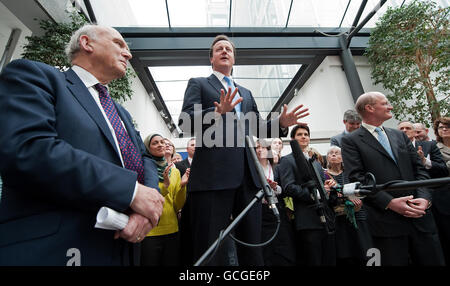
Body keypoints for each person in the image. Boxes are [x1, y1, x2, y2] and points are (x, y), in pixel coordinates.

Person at [0, 25, 165, 265]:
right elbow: (29, 149)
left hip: (124, 247)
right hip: (55, 247)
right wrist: (131, 191)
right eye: (119, 44)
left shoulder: (121, 113)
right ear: (87, 43)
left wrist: (147, 208)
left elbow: (145, 158)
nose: (128, 54)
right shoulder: (35, 76)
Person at [178, 34, 309, 266]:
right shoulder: (198, 83)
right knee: (210, 246)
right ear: (211, 58)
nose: (224, 51)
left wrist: (281, 124)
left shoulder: (245, 93)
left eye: (228, 49)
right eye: (219, 49)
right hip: (213, 178)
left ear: (234, 59)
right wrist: (218, 112)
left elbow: (258, 127)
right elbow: (186, 122)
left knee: (253, 245)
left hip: (249, 178)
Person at [341, 91, 444, 266]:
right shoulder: (351, 141)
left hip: (420, 216)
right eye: (385, 103)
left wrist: (424, 198)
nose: (391, 106)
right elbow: (357, 178)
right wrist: (390, 203)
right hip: (386, 222)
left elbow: (419, 170)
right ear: (370, 108)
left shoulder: (399, 135)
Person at [279, 124, 336, 266]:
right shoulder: (287, 160)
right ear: (292, 139)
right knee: (312, 260)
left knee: (328, 259)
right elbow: (288, 187)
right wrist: (313, 195)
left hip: (326, 219)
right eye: (299, 134)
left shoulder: (316, 163)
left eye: (306, 134)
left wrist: (328, 189)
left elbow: (323, 187)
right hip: (306, 220)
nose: (304, 136)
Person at [140, 134, 189, 266]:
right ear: (147, 148)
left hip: (172, 230)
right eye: (155, 143)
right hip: (150, 232)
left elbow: (177, 205)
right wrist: (165, 186)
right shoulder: (143, 169)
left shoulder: (175, 172)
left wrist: (182, 186)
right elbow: (148, 201)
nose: (161, 145)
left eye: (162, 142)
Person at [323, 146, 373, 265]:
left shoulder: (350, 173)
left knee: (363, 250)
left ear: (343, 158)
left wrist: (356, 197)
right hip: (338, 218)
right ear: (327, 158)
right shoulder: (323, 175)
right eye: (330, 153)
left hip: (357, 215)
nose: (333, 155)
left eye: (337, 153)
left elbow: (362, 189)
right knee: (344, 253)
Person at [256, 139, 296, 266]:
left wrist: (274, 187)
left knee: (281, 242)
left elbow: (284, 189)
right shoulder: (252, 169)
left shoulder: (276, 167)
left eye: (263, 147)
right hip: (259, 209)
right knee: (264, 244)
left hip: (277, 207)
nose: (260, 150)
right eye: (257, 147)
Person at [431, 117, 450, 264]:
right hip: (445, 194)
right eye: (440, 128)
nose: (444, 129)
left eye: (447, 127)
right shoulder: (434, 147)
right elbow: (438, 168)